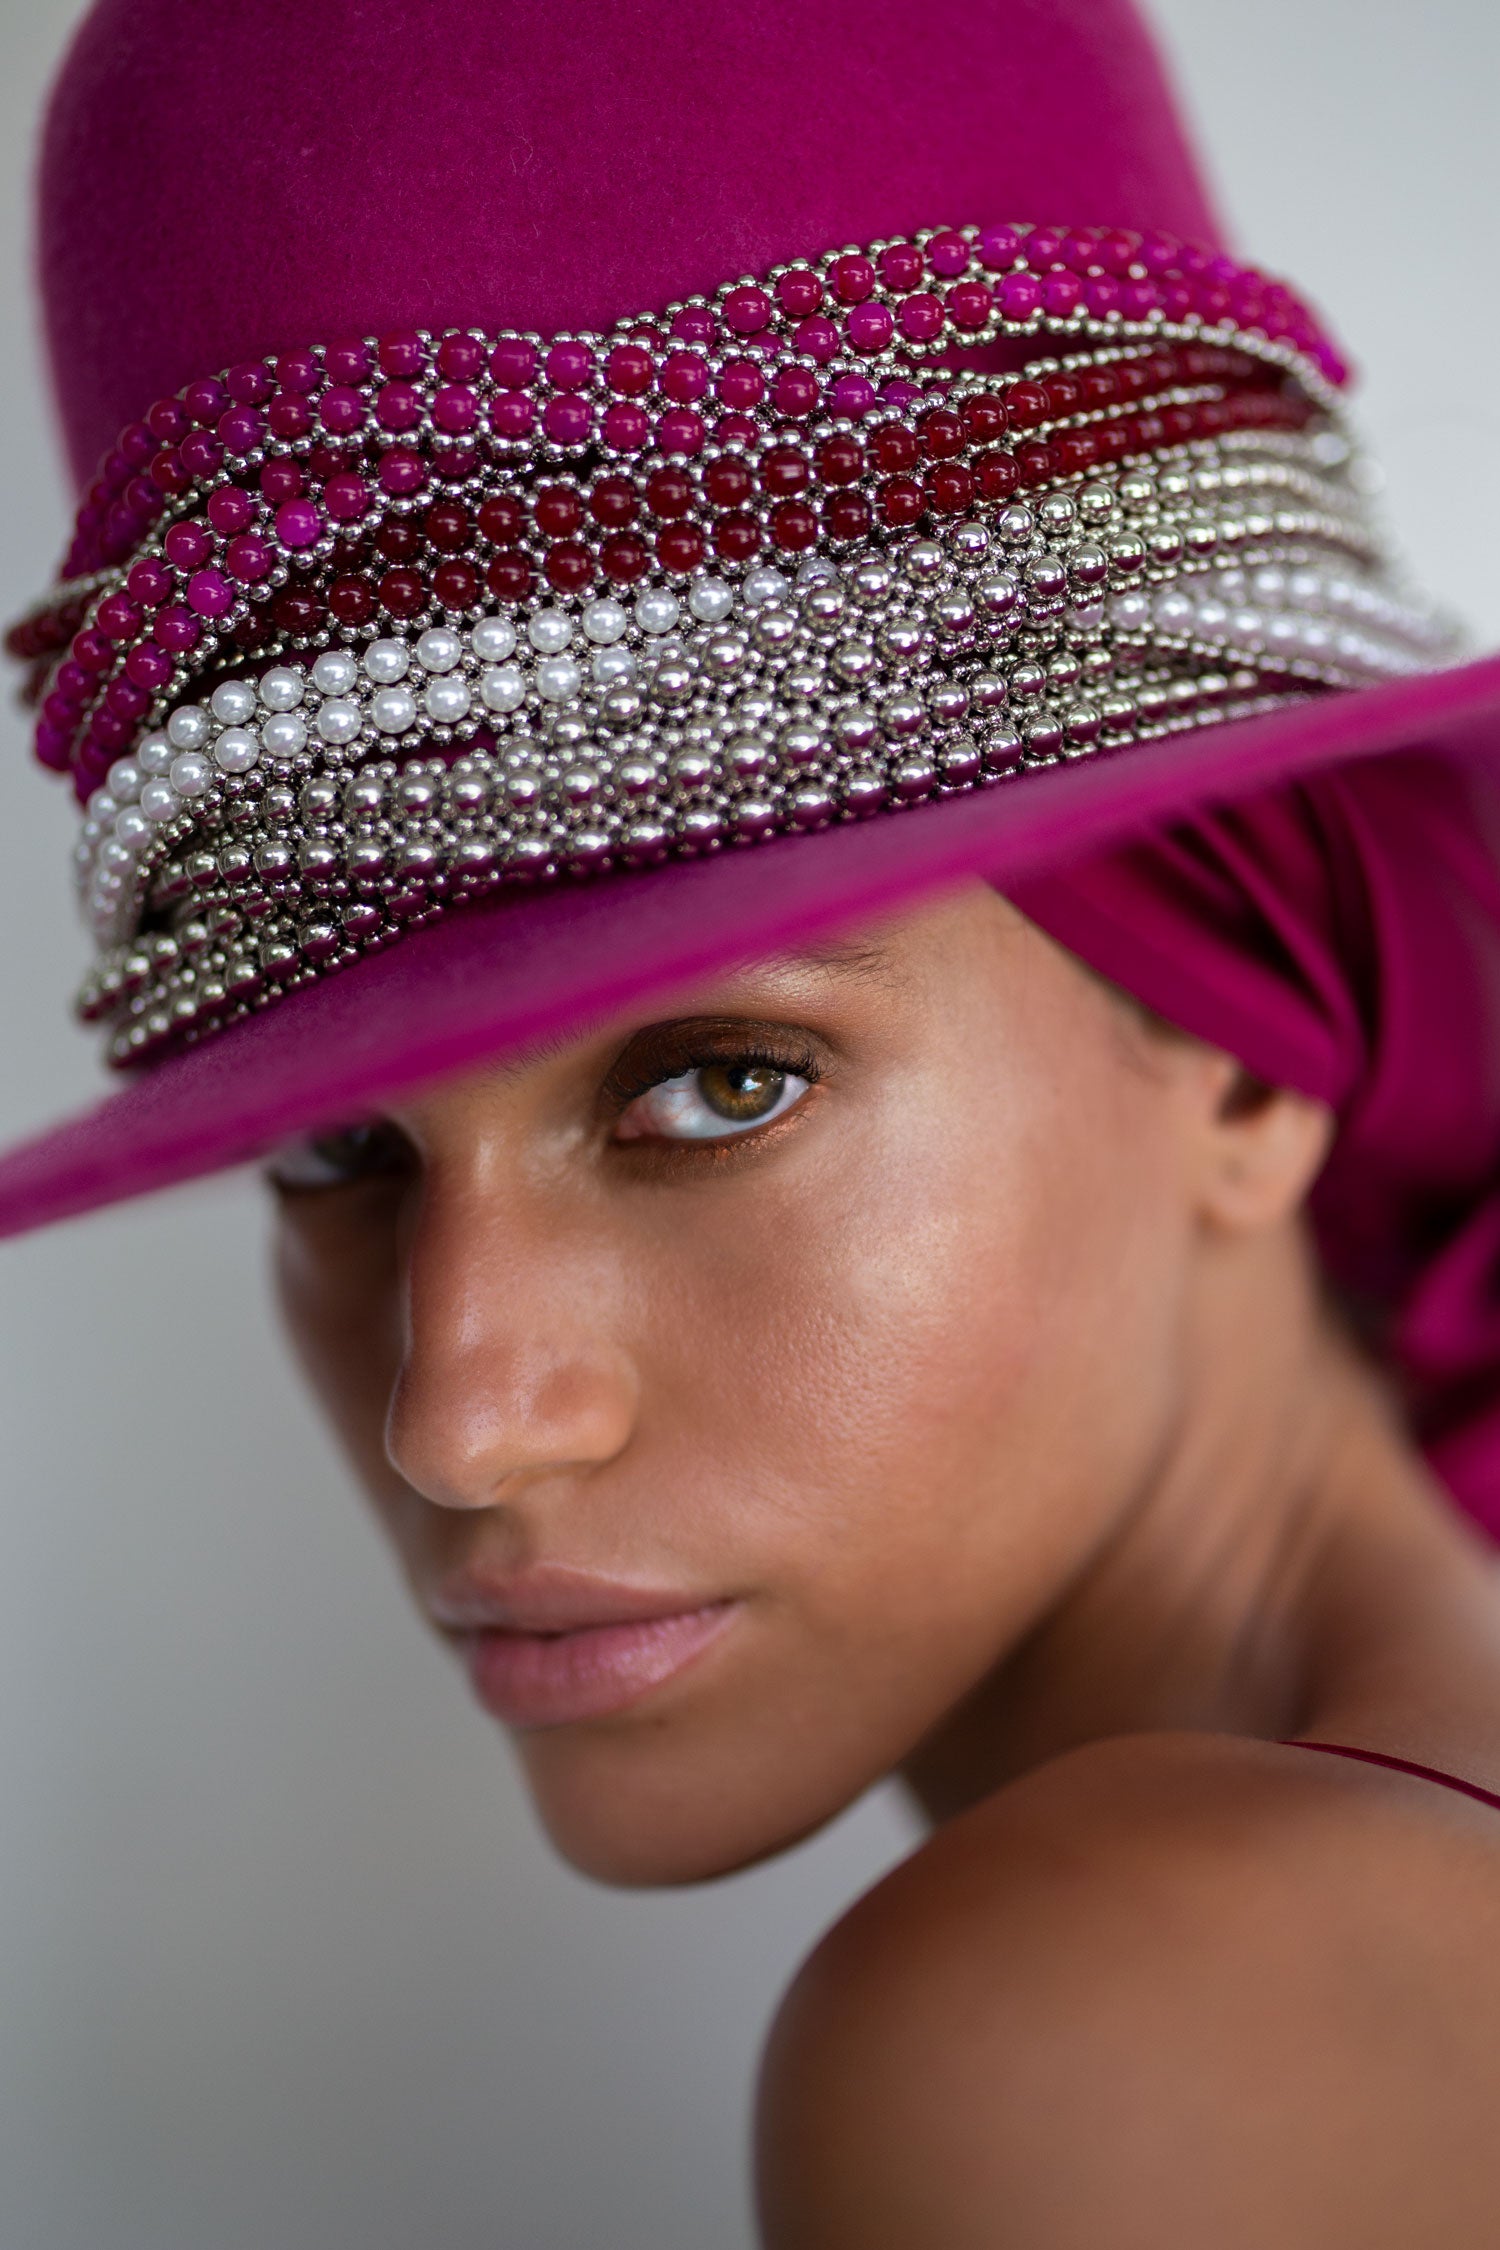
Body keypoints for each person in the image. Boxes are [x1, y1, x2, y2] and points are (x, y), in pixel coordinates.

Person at [6, 0, 1500, 2239]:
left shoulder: (1110, 2025)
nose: (464, 1418)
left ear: (1252, 1055)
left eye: (720, 1085)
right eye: (339, 1153)